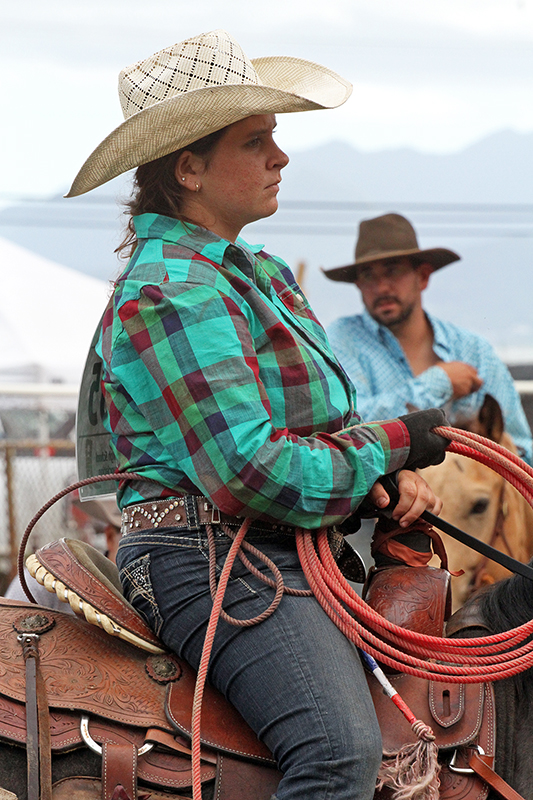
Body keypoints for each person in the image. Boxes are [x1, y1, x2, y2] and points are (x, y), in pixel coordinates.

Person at [66, 30, 448, 800]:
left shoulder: (256, 274)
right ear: (189, 168)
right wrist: (391, 444)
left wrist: (374, 479)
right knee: (337, 754)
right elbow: (250, 472)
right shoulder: (172, 293)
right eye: (256, 140)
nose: (280, 156)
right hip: (206, 560)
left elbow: (312, 436)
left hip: (273, 551)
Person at [324, 213, 533, 465]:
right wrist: (440, 383)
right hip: (384, 501)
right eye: (368, 276)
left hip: (474, 499)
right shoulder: (342, 340)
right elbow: (350, 430)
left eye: (393, 272)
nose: (381, 288)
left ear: (422, 276)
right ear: (358, 284)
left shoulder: (474, 350)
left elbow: (521, 447)